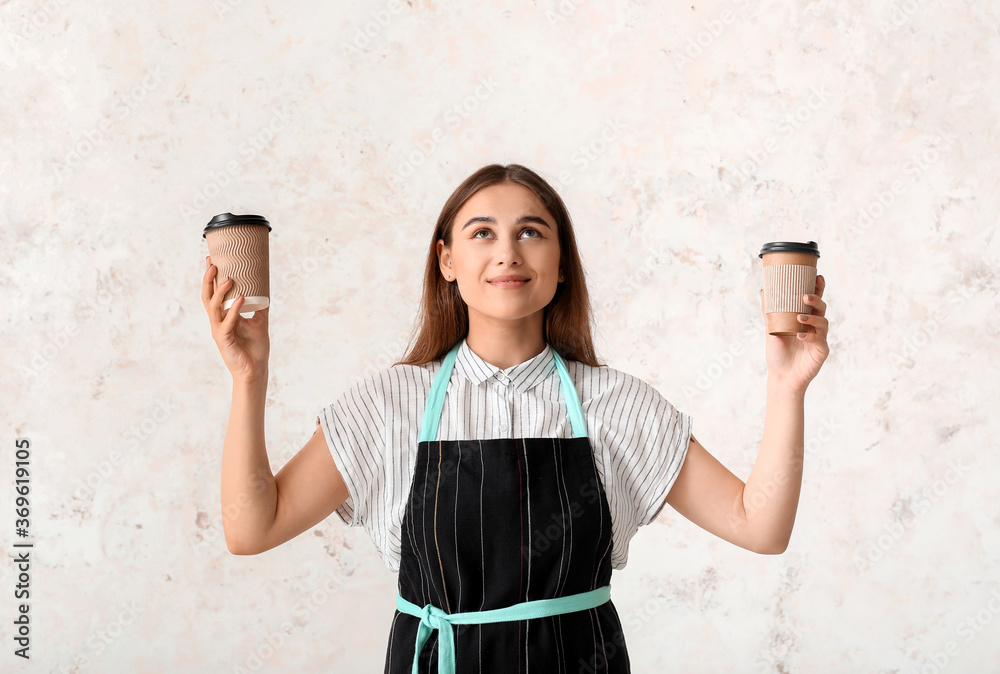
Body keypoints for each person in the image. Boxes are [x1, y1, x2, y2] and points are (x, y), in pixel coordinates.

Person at [201, 163, 830, 673]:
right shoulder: (389, 405)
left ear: (561, 265)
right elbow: (251, 529)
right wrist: (248, 376)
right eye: (482, 233)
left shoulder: (619, 405)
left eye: (531, 232)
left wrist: (787, 385)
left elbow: (760, 526)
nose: (507, 252)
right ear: (445, 260)